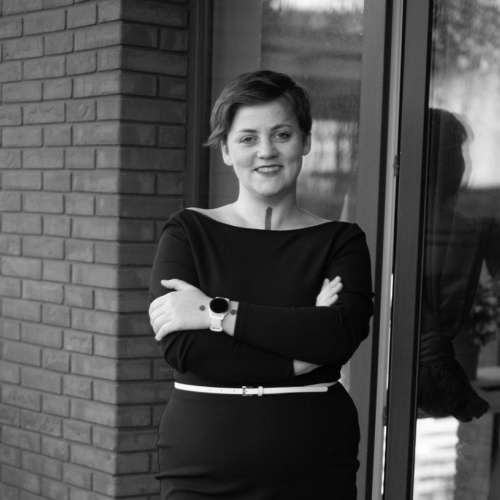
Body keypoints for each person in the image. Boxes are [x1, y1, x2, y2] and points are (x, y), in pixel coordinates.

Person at [148, 70, 374, 499]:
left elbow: (337, 336)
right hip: (201, 466)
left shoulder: (341, 241)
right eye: (248, 138)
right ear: (226, 150)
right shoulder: (188, 232)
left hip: (316, 464)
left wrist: (214, 312)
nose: (266, 151)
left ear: (305, 141)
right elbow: (184, 349)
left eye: (282, 134)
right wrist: (296, 360)